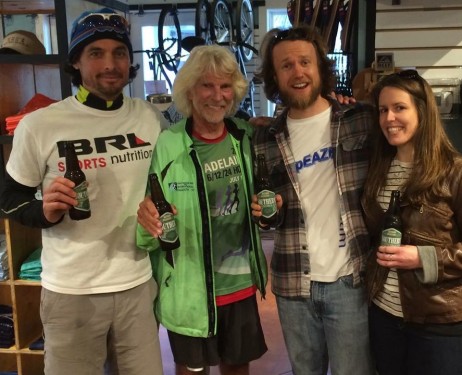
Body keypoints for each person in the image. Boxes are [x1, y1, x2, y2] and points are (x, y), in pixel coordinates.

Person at [250, 25, 462, 375]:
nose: (297, 71)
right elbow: (269, 216)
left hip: (351, 281)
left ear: (320, 66)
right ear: (274, 76)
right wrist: (265, 216)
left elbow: (421, 147)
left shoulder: (361, 119)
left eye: (305, 61)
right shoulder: (263, 138)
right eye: (285, 65)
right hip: (293, 284)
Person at [0, 8, 167, 375]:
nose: (110, 64)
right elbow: (10, 200)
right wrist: (44, 211)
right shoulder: (40, 125)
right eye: (96, 53)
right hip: (71, 292)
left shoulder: (149, 118)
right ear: (75, 61)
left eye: (119, 52)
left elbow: (170, 182)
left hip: (137, 285)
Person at [136, 44, 275, 375]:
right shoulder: (168, 144)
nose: (218, 95)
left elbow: (267, 200)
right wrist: (147, 223)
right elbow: (148, 224)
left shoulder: (246, 136)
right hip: (189, 290)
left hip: (238, 284)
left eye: (225, 86)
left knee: (237, 368)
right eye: (207, 85)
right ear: (189, 91)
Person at [361, 70, 462, 375]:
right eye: (383, 110)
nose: (389, 118)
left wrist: (423, 258)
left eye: (399, 108)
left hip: (441, 321)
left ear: (422, 111)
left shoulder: (460, 173)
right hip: (385, 316)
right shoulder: (376, 169)